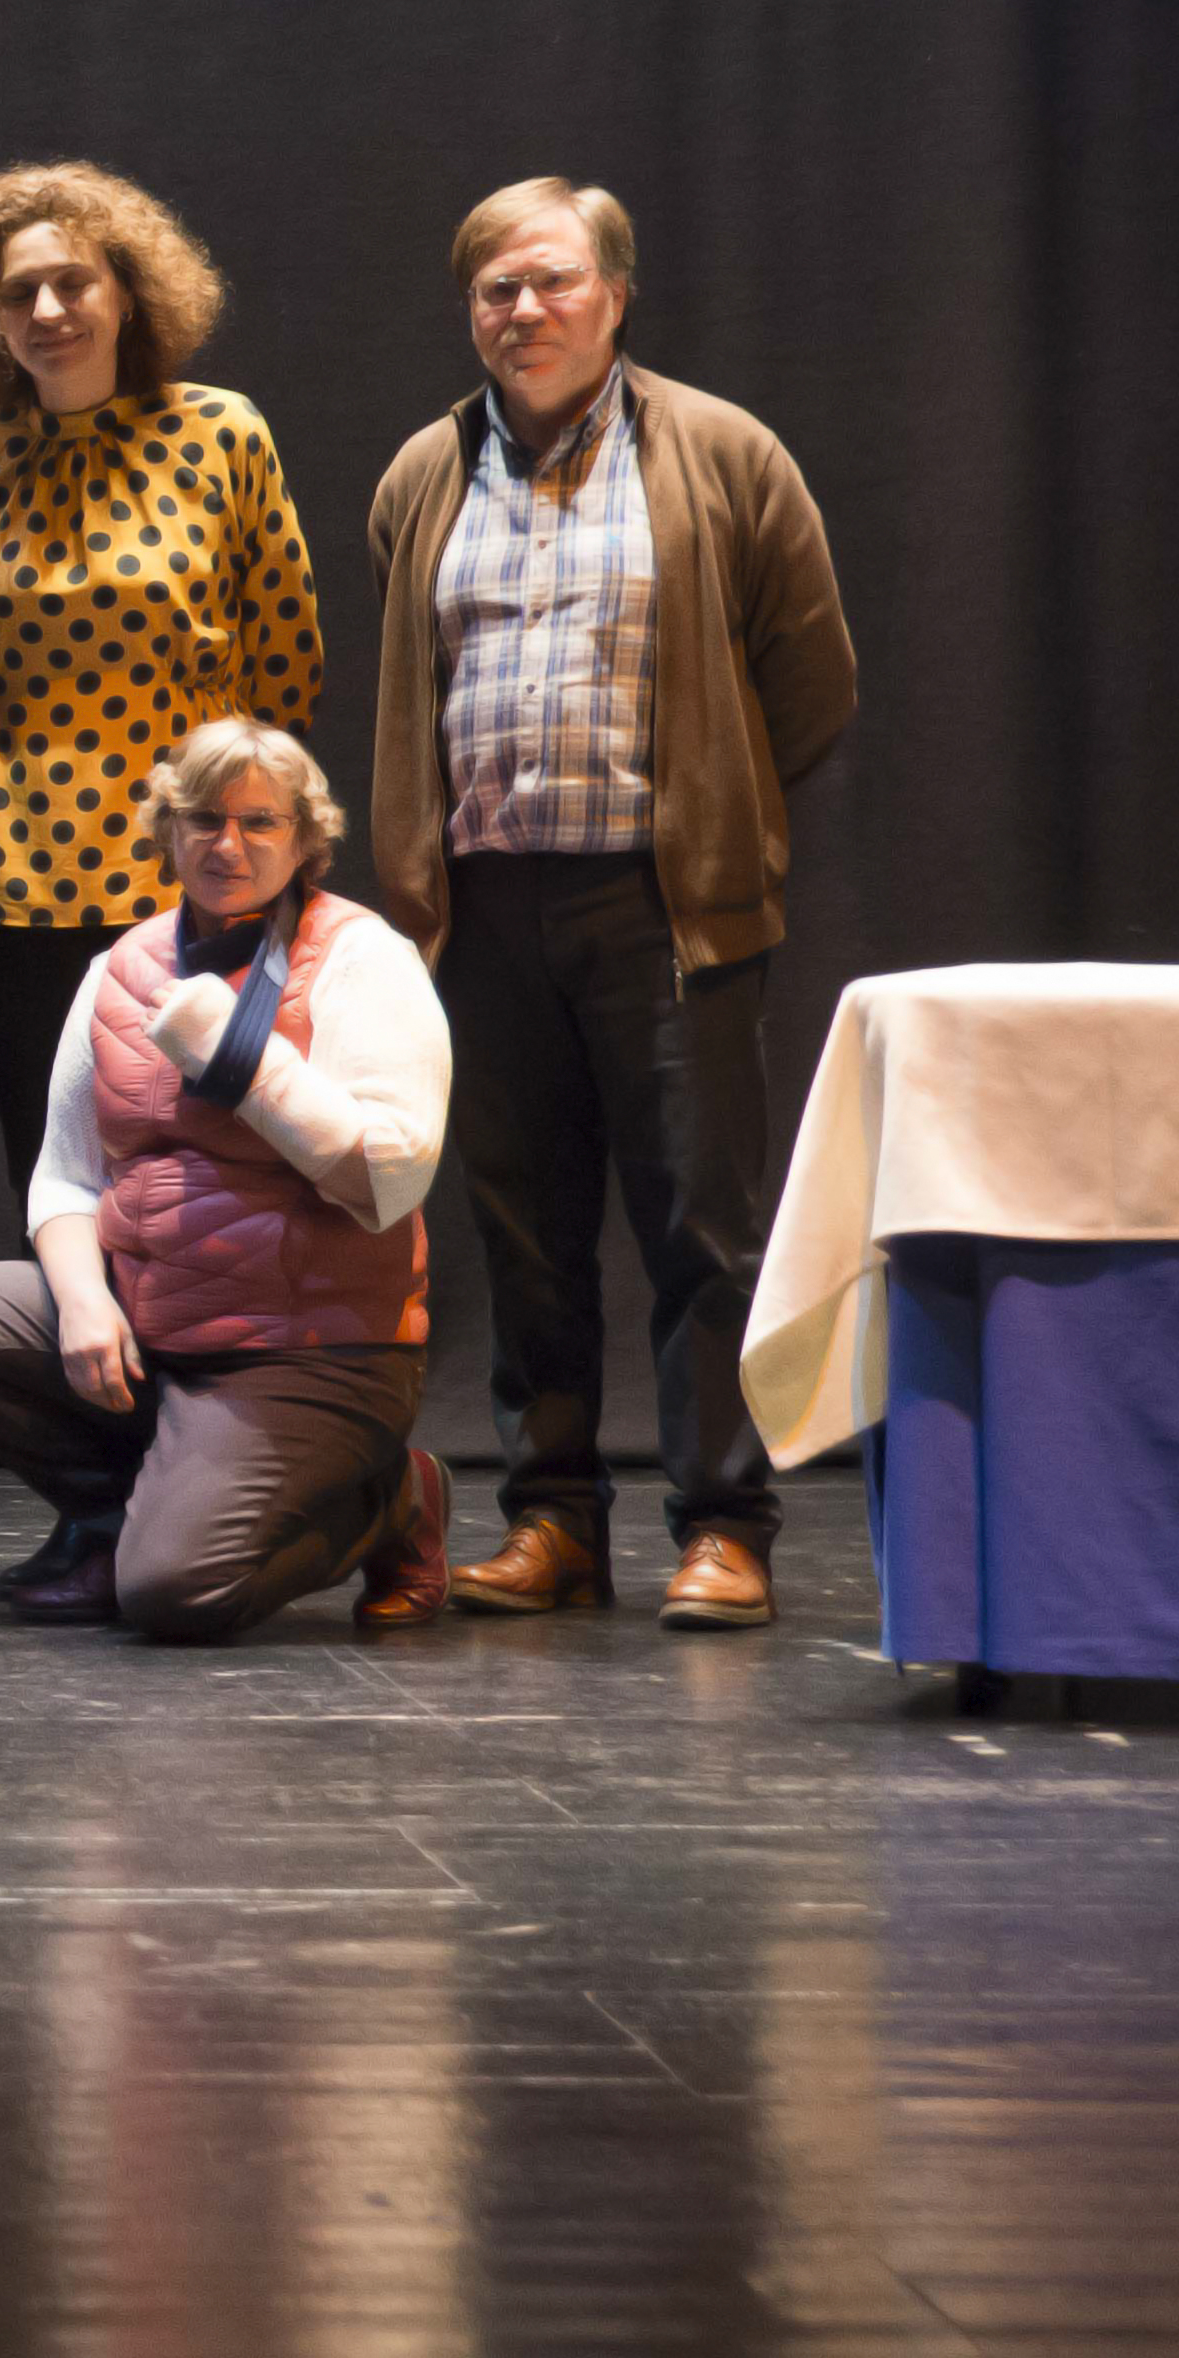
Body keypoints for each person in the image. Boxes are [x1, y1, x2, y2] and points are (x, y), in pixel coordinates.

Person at [357, 178, 856, 1635]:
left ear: (616, 295)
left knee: (703, 1229)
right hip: (486, 906)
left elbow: (810, 683)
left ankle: (724, 1525)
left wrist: (718, 813)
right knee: (523, 1227)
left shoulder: (720, 455)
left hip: (662, 907)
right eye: (494, 291)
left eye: (551, 283)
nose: (522, 312)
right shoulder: (423, 474)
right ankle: (554, 1521)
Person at [0, 722, 457, 1643]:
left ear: (307, 839)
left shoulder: (362, 956)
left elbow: (389, 1177)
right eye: (203, 818)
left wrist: (236, 1057)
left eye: (260, 823)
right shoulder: (120, 969)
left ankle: (391, 1501)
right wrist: (80, 1305)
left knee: (174, 1596)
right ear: (168, 831)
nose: (228, 845)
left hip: (309, 1346)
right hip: (157, 1326)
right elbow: (64, 1178)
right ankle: (118, 1517)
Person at [0, 161, 320, 1229]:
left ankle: (192, 1394)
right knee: (52, 1173)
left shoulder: (221, 433)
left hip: (190, 877)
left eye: (73, 281)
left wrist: (256, 850)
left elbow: (283, 664)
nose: (48, 311)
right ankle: (76, 1388)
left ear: (126, 291)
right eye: (17, 292)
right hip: (14, 882)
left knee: (197, 1165)